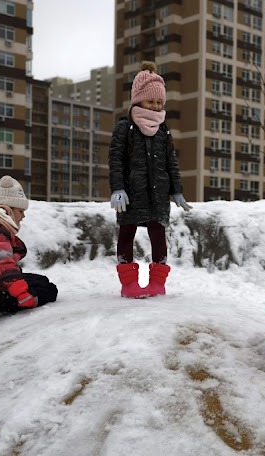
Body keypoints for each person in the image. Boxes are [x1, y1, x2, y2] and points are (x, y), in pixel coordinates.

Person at [108, 60, 191, 299]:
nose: (155, 107)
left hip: (158, 194)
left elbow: (170, 162)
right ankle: (129, 284)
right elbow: (116, 159)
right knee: (127, 233)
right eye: (150, 101)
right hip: (131, 194)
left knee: (158, 235)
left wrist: (177, 190)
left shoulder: (163, 130)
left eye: (159, 102)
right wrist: (117, 188)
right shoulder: (125, 127)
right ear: (137, 100)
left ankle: (157, 283)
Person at [0, 175, 58, 322]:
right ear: (8, 210)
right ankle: (4, 302)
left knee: (41, 280)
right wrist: (21, 294)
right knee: (49, 291)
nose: (23, 216)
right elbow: (3, 264)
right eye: (21, 211)